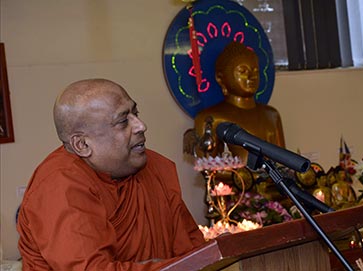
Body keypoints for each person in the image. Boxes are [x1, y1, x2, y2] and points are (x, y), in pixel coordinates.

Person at [17, 79, 205, 271]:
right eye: (123, 121)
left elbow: (193, 250)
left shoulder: (153, 169)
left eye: (136, 113)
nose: (141, 126)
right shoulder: (59, 186)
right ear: (82, 145)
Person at [192, 42, 285, 202]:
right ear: (221, 78)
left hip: (274, 193)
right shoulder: (211, 118)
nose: (251, 77)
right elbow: (208, 169)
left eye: (255, 71)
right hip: (238, 198)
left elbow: (283, 161)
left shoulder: (271, 114)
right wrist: (245, 177)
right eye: (242, 71)